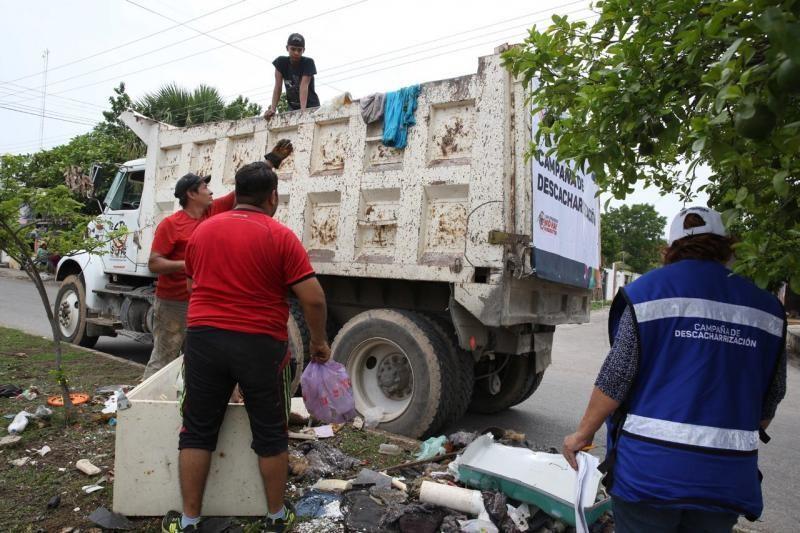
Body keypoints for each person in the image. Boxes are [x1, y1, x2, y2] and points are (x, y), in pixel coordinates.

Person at [562, 207, 787, 533]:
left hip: (649, 475)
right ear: (726, 246)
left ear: (670, 248)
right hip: (725, 480)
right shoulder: (766, 309)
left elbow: (616, 379)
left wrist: (581, 435)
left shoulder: (648, 294)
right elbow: (770, 400)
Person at [161, 161, 330, 533]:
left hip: (204, 340)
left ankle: (188, 521)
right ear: (273, 197)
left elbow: (191, 286)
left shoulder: (203, 232)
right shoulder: (280, 235)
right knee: (270, 431)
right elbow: (313, 299)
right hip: (261, 344)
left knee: (197, 430)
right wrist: (319, 342)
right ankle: (274, 518)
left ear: (236, 193)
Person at [142, 141, 294, 380]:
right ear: (192, 194)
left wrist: (271, 161)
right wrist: (190, 264)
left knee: (197, 359)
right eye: (205, 187)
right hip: (174, 302)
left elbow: (247, 188)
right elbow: (154, 263)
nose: (211, 191)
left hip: (203, 302)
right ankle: (145, 405)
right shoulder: (171, 224)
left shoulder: (213, 212)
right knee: (164, 355)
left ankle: (185, 404)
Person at [264, 33, 320, 119]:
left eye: (299, 50)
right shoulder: (280, 62)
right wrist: (273, 109)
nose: (296, 53)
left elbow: (303, 87)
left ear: (303, 50)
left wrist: (303, 112)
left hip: (310, 107)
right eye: (293, 49)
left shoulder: (308, 63)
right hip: (292, 108)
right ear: (287, 48)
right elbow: (278, 87)